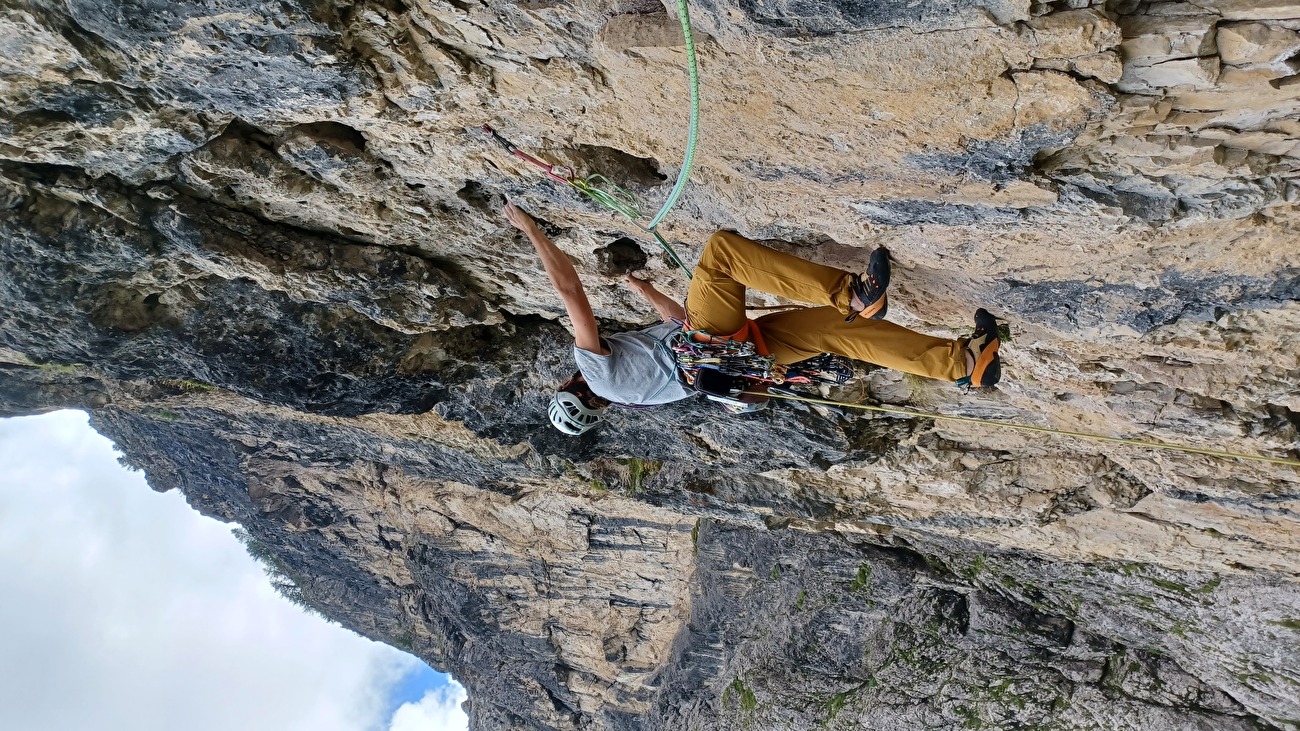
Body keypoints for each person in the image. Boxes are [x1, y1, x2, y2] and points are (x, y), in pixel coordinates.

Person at [503, 203, 1002, 436]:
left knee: (835, 334)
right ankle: (849, 292)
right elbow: (569, 291)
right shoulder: (594, 371)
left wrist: (647, 289)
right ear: (572, 385)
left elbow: (681, 327)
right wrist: (531, 230)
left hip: (745, 363)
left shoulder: (639, 396)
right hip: (720, 343)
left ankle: (961, 364)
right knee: (720, 254)